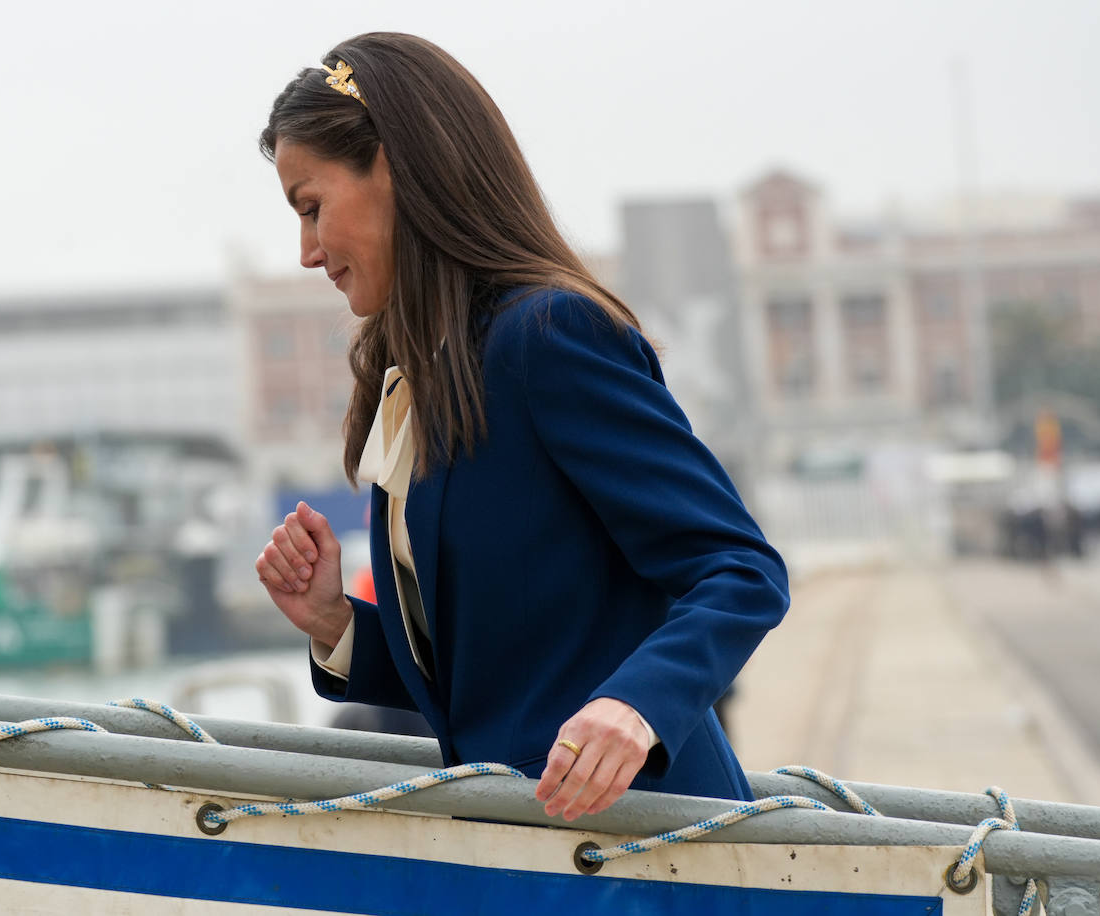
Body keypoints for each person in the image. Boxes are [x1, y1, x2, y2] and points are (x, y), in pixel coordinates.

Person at [254, 32, 789, 822]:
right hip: (530, 853)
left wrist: (636, 706)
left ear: (395, 166)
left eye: (311, 207)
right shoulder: (428, 374)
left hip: (640, 850)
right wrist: (335, 623)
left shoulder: (548, 336)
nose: (304, 251)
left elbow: (740, 568)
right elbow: (492, 676)